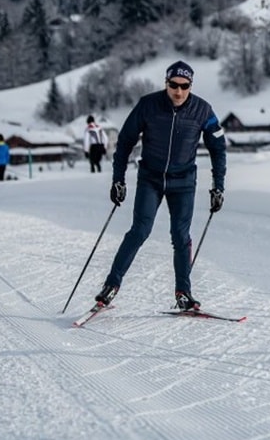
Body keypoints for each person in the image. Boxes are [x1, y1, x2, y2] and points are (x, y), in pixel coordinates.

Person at [93, 61, 228, 312]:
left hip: (184, 182)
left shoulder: (203, 110)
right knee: (140, 230)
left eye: (184, 86)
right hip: (151, 178)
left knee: (180, 236)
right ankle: (111, 286)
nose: (178, 91)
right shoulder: (148, 105)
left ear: (190, 85)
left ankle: (183, 293)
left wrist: (218, 186)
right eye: (173, 85)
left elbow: (218, 149)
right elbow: (124, 142)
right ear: (166, 83)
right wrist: (118, 179)